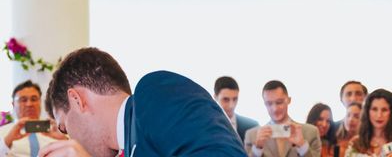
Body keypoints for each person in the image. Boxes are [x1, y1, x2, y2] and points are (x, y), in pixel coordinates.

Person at [40, 47, 247, 157]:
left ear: (77, 100)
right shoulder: (128, 140)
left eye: (65, 128)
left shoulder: (154, 90)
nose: (70, 140)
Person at [0, 81, 65, 157]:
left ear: (40, 102)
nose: (29, 104)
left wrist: (64, 140)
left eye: (34, 99)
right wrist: (7, 141)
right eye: (23, 100)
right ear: (13, 104)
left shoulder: (56, 133)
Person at [244, 80, 321, 157]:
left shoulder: (311, 132)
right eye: (269, 104)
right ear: (264, 104)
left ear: (289, 100)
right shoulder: (252, 136)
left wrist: (302, 145)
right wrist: (258, 148)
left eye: (279, 102)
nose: (275, 109)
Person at [345, 88, 392, 157]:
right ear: (367, 112)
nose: (379, 115)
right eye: (374, 109)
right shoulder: (356, 142)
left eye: (384, 110)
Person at [214, 76, 259, 142]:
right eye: (226, 99)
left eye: (235, 99)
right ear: (215, 98)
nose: (231, 105)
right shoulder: (205, 126)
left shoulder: (252, 126)